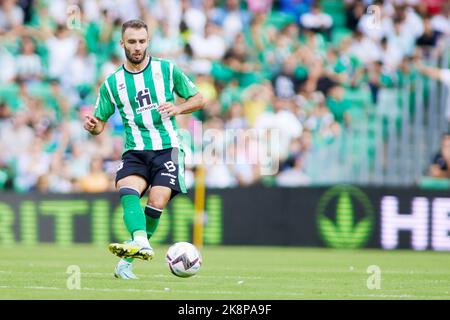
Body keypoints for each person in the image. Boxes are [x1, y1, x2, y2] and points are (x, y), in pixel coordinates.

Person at [83, 19, 205, 279]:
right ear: (122, 44)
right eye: (132, 42)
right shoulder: (112, 83)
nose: (137, 47)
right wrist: (93, 126)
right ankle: (141, 242)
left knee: (156, 200)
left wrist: (179, 108)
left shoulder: (167, 70)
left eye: (141, 41)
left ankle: (128, 259)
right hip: (135, 150)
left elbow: (199, 98)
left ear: (148, 41)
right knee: (127, 189)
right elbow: (99, 124)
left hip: (167, 148)